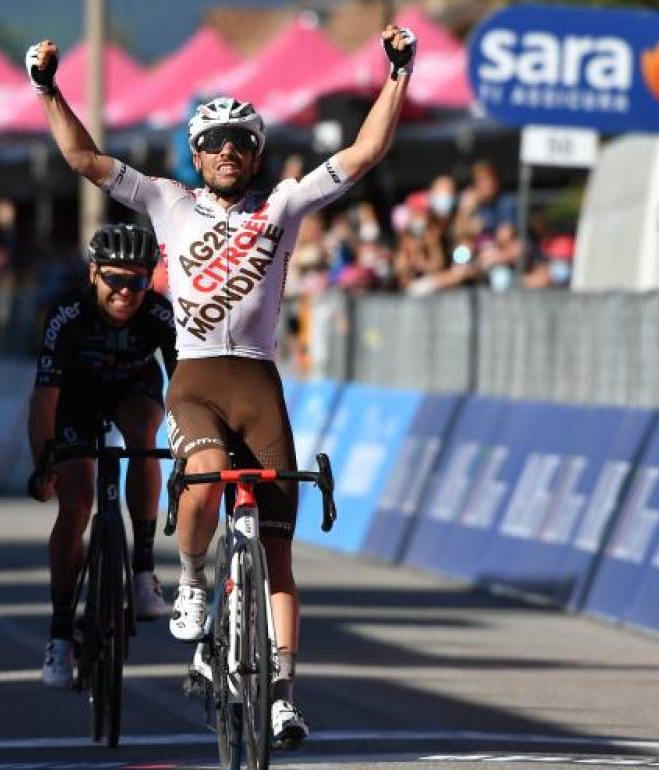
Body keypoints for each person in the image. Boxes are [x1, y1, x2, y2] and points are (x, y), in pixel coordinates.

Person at [26, 22, 417, 748]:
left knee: (279, 552)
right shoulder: (168, 201)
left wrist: (398, 75)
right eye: (214, 143)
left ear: (256, 153)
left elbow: (364, 155)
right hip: (198, 379)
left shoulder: (284, 206)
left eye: (241, 142)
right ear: (196, 155)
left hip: (261, 383)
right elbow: (83, 157)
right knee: (201, 480)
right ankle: (196, 582)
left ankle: (282, 697)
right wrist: (49, 89)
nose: (228, 152)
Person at [27, 224, 177, 689]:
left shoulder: (159, 313)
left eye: (137, 281)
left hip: (134, 389)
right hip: (76, 396)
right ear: (93, 273)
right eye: (114, 279)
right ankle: (59, 635)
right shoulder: (67, 315)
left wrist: (193, 444)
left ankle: (145, 570)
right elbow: (45, 397)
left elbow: (187, 387)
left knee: (142, 433)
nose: (125, 292)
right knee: (75, 504)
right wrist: (43, 464)